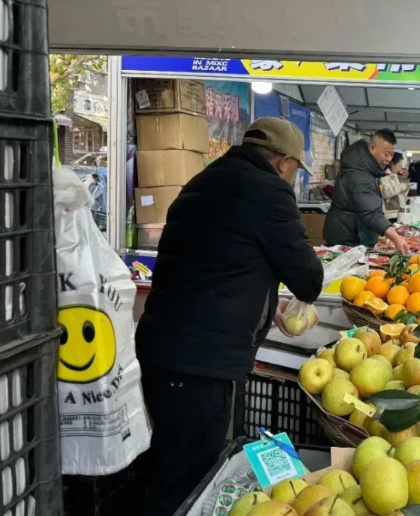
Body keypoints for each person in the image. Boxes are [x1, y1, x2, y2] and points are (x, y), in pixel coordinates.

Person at [135, 118, 325, 516]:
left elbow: (217, 262)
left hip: (163, 345)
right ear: (283, 162)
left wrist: (261, 299)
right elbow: (308, 278)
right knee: (185, 474)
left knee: (171, 457)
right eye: (294, 169)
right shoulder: (270, 192)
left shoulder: (204, 181)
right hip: (201, 358)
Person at [323, 130, 410, 252]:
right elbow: (371, 213)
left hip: (350, 232)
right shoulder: (360, 175)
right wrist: (396, 238)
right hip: (348, 237)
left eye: (391, 154)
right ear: (373, 148)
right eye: (386, 154)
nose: (389, 159)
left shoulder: (364, 168)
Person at [380, 152, 410, 221]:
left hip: (398, 212)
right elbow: (384, 193)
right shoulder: (382, 177)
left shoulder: (394, 176)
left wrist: (406, 188)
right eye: (399, 165)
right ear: (392, 163)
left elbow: (398, 194)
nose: (400, 168)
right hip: (390, 214)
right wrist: (402, 186)